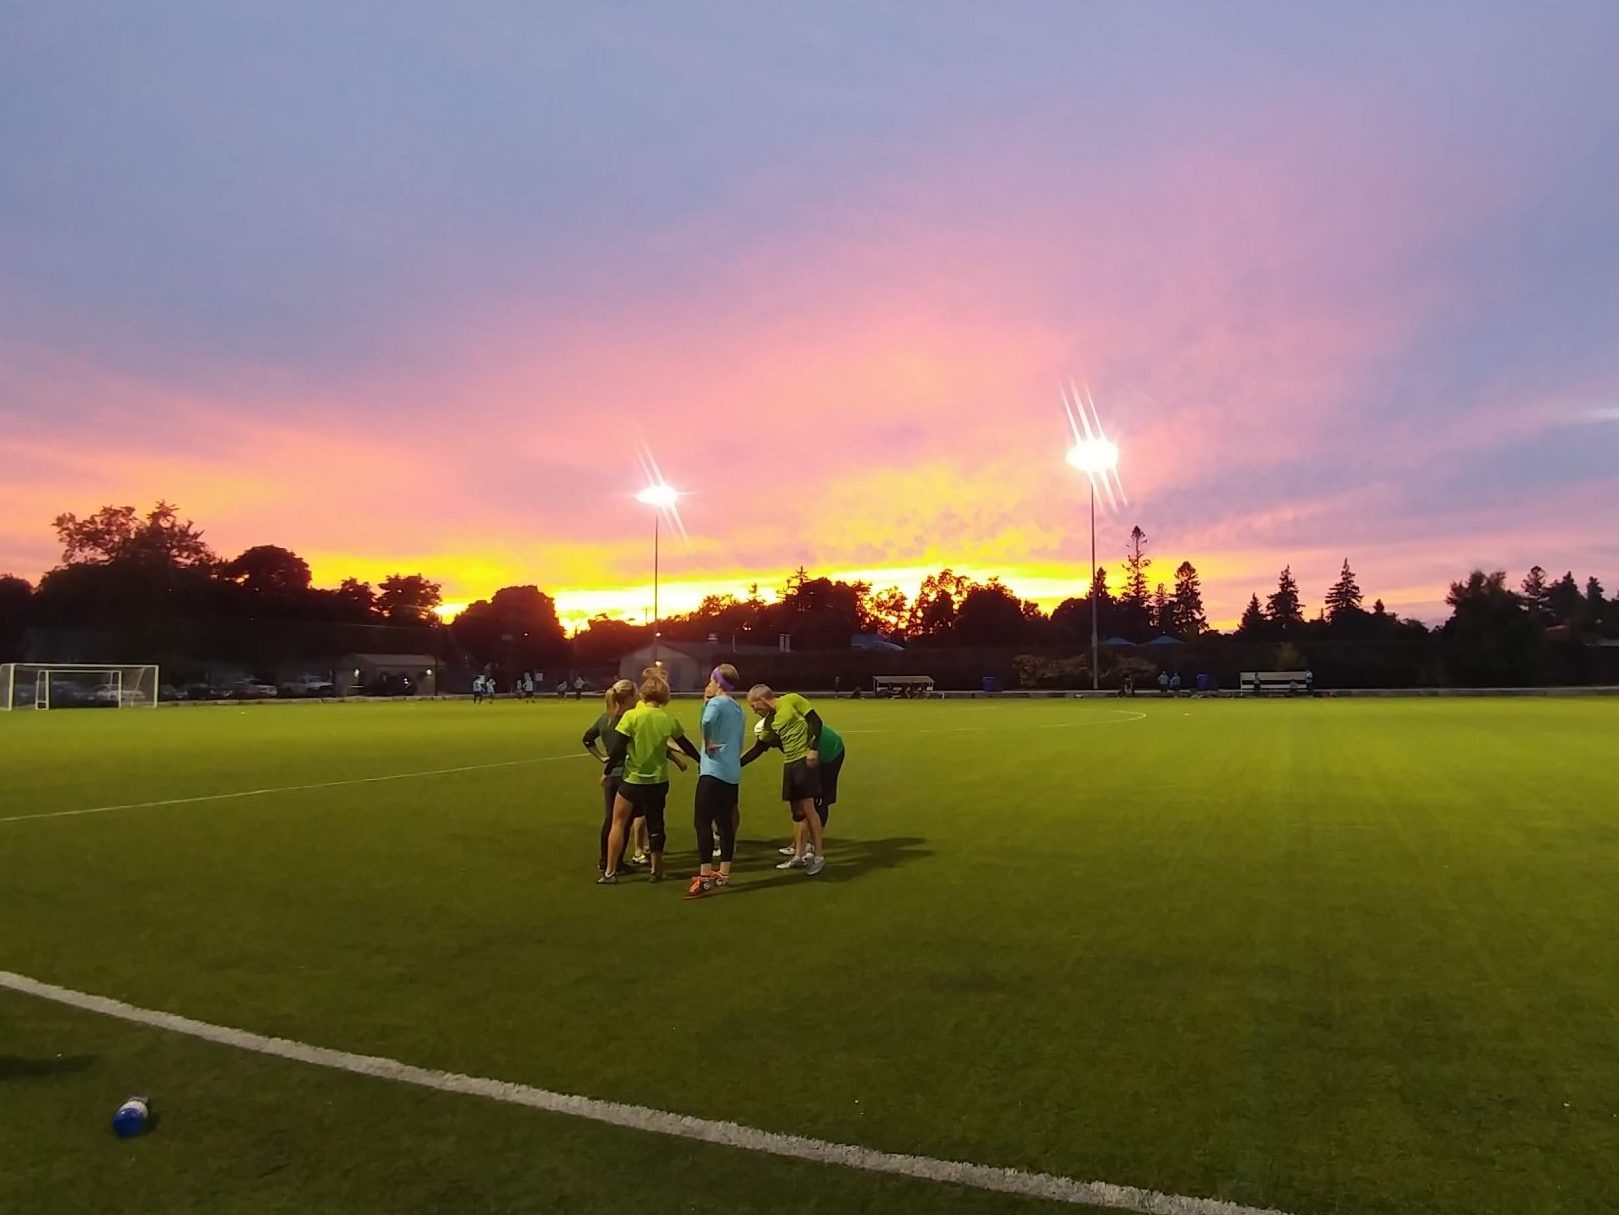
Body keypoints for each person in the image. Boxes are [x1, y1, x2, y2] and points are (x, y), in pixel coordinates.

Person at [598, 671, 700, 884]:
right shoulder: (668, 718)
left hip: (633, 780)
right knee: (656, 824)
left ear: (643, 694)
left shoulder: (632, 716)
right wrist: (701, 760)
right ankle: (656, 870)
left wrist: (607, 772)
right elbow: (686, 745)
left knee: (618, 823)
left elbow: (617, 748)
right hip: (658, 781)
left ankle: (610, 872)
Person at [740, 685, 843, 876]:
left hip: (826, 754)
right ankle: (798, 853)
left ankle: (817, 854)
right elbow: (758, 748)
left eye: (754, 706)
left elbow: (816, 722)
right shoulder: (770, 722)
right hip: (792, 764)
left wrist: (813, 748)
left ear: (762, 700)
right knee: (797, 812)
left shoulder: (792, 700)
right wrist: (735, 765)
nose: (754, 711)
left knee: (814, 805)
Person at [686, 664, 745, 899]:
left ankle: (705, 877)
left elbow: (707, 722)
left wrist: (708, 742)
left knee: (702, 822)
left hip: (713, 771)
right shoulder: (738, 708)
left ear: (718, 682)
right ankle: (724, 873)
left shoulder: (716, 703)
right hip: (732, 772)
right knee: (725, 824)